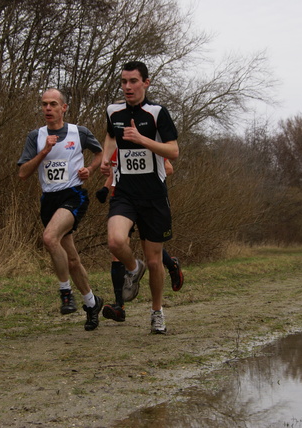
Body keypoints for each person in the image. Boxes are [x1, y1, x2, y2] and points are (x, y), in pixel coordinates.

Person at [100, 61, 179, 334]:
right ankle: (134, 268)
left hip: (154, 196)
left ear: (146, 82)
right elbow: (111, 137)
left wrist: (142, 139)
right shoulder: (113, 111)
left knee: (156, 261)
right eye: (123, 82)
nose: (127, 87)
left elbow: (173, 151)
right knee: (115, 240)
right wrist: (106, 159)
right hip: (125, 193)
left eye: (133, 81)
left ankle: (157, 312)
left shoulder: (157, 113)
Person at [17, 88, 104, 331]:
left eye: (53, 104)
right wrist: (43, 151)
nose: (47, 108)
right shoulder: (36, 136)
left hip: (73, 195)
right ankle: (92, 302)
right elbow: (23, 173)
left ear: (63, 107)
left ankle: (65, 293)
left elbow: (100, 153)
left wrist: (91, 169)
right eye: (44, 104)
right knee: (73, 259)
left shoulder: (80, 132)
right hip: (49, 200)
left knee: (49, 237)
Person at [96, 152, 184, 323]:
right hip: (122, 201)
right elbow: (116, 173)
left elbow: (168, 168)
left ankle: (171, 265)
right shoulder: (116, 147)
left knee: (150, 251)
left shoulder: (147, 143)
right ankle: (119, 305)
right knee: (117, 249)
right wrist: (106, 188)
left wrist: (143, 181)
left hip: (147, 200)